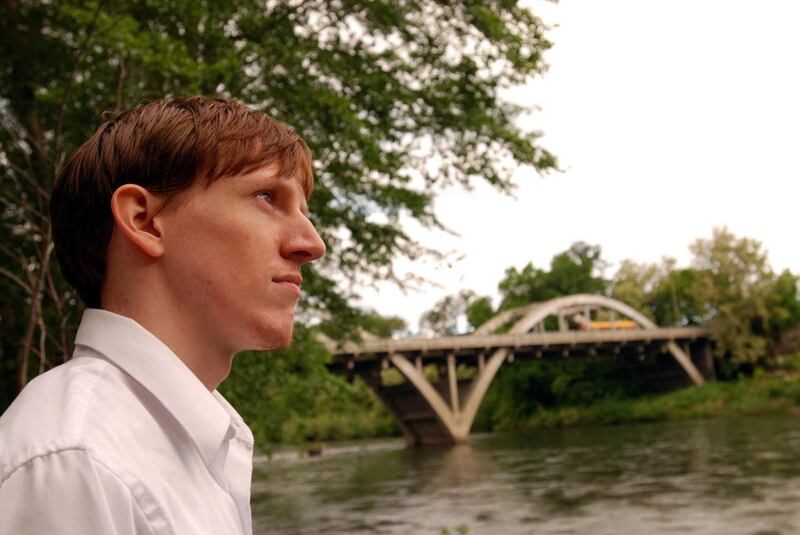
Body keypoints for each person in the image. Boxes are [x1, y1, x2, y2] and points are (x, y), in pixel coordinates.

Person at [0, 97, 326, 534]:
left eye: (304, 211)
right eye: (267, 197)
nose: (312, 244)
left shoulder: (195, 443)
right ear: (145, 221)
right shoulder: (76, 463)